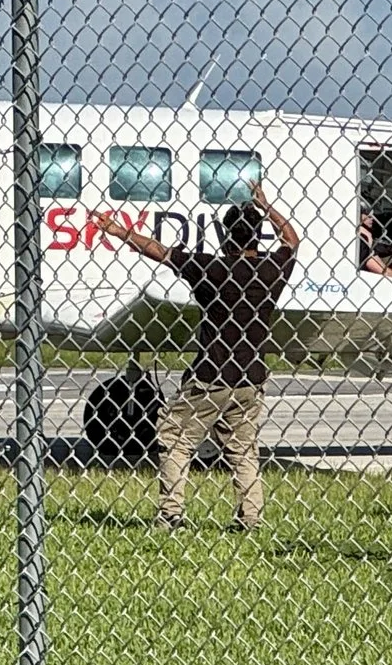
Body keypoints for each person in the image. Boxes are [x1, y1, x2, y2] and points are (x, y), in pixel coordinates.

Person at [92, 183, 299, 532]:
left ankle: (171, 513)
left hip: (212, 373)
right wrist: (267, 206)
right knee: (242, 449)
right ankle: (251, 518)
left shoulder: (212, 269)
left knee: (175, 436)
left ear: (226, 237)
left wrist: (119, 231)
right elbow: (292, 240)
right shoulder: (272, 270)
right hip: (251, 376)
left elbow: (160, 251)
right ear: (257, 237)